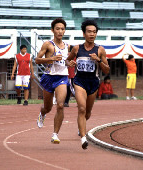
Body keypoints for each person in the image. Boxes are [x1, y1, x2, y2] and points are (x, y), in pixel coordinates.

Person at [66, 20, 110, 149]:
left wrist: (99, 60)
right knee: (81, 108)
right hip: (79, 81)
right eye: (89, 31)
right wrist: (70, 63)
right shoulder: (77, 48)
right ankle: (83, 138)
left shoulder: (100, 50)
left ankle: (82, 126)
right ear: (84, 33)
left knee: (88, 112)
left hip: (93, 82)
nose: (92, 34)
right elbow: (66, 61)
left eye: (94, 32)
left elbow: (107, 70)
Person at [35, 18, 70, 144]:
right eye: (58, 29)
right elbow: (37, 60)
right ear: (52, 30)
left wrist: (69, 63)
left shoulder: (67, 46)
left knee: (60, 105)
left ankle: (55, 134)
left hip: (62, 77)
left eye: (62, 29)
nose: (60, 31)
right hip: (49, 77)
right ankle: (42, 113)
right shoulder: (48, 45)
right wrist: (51, 58)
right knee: (48, 107)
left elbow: (65, 60)